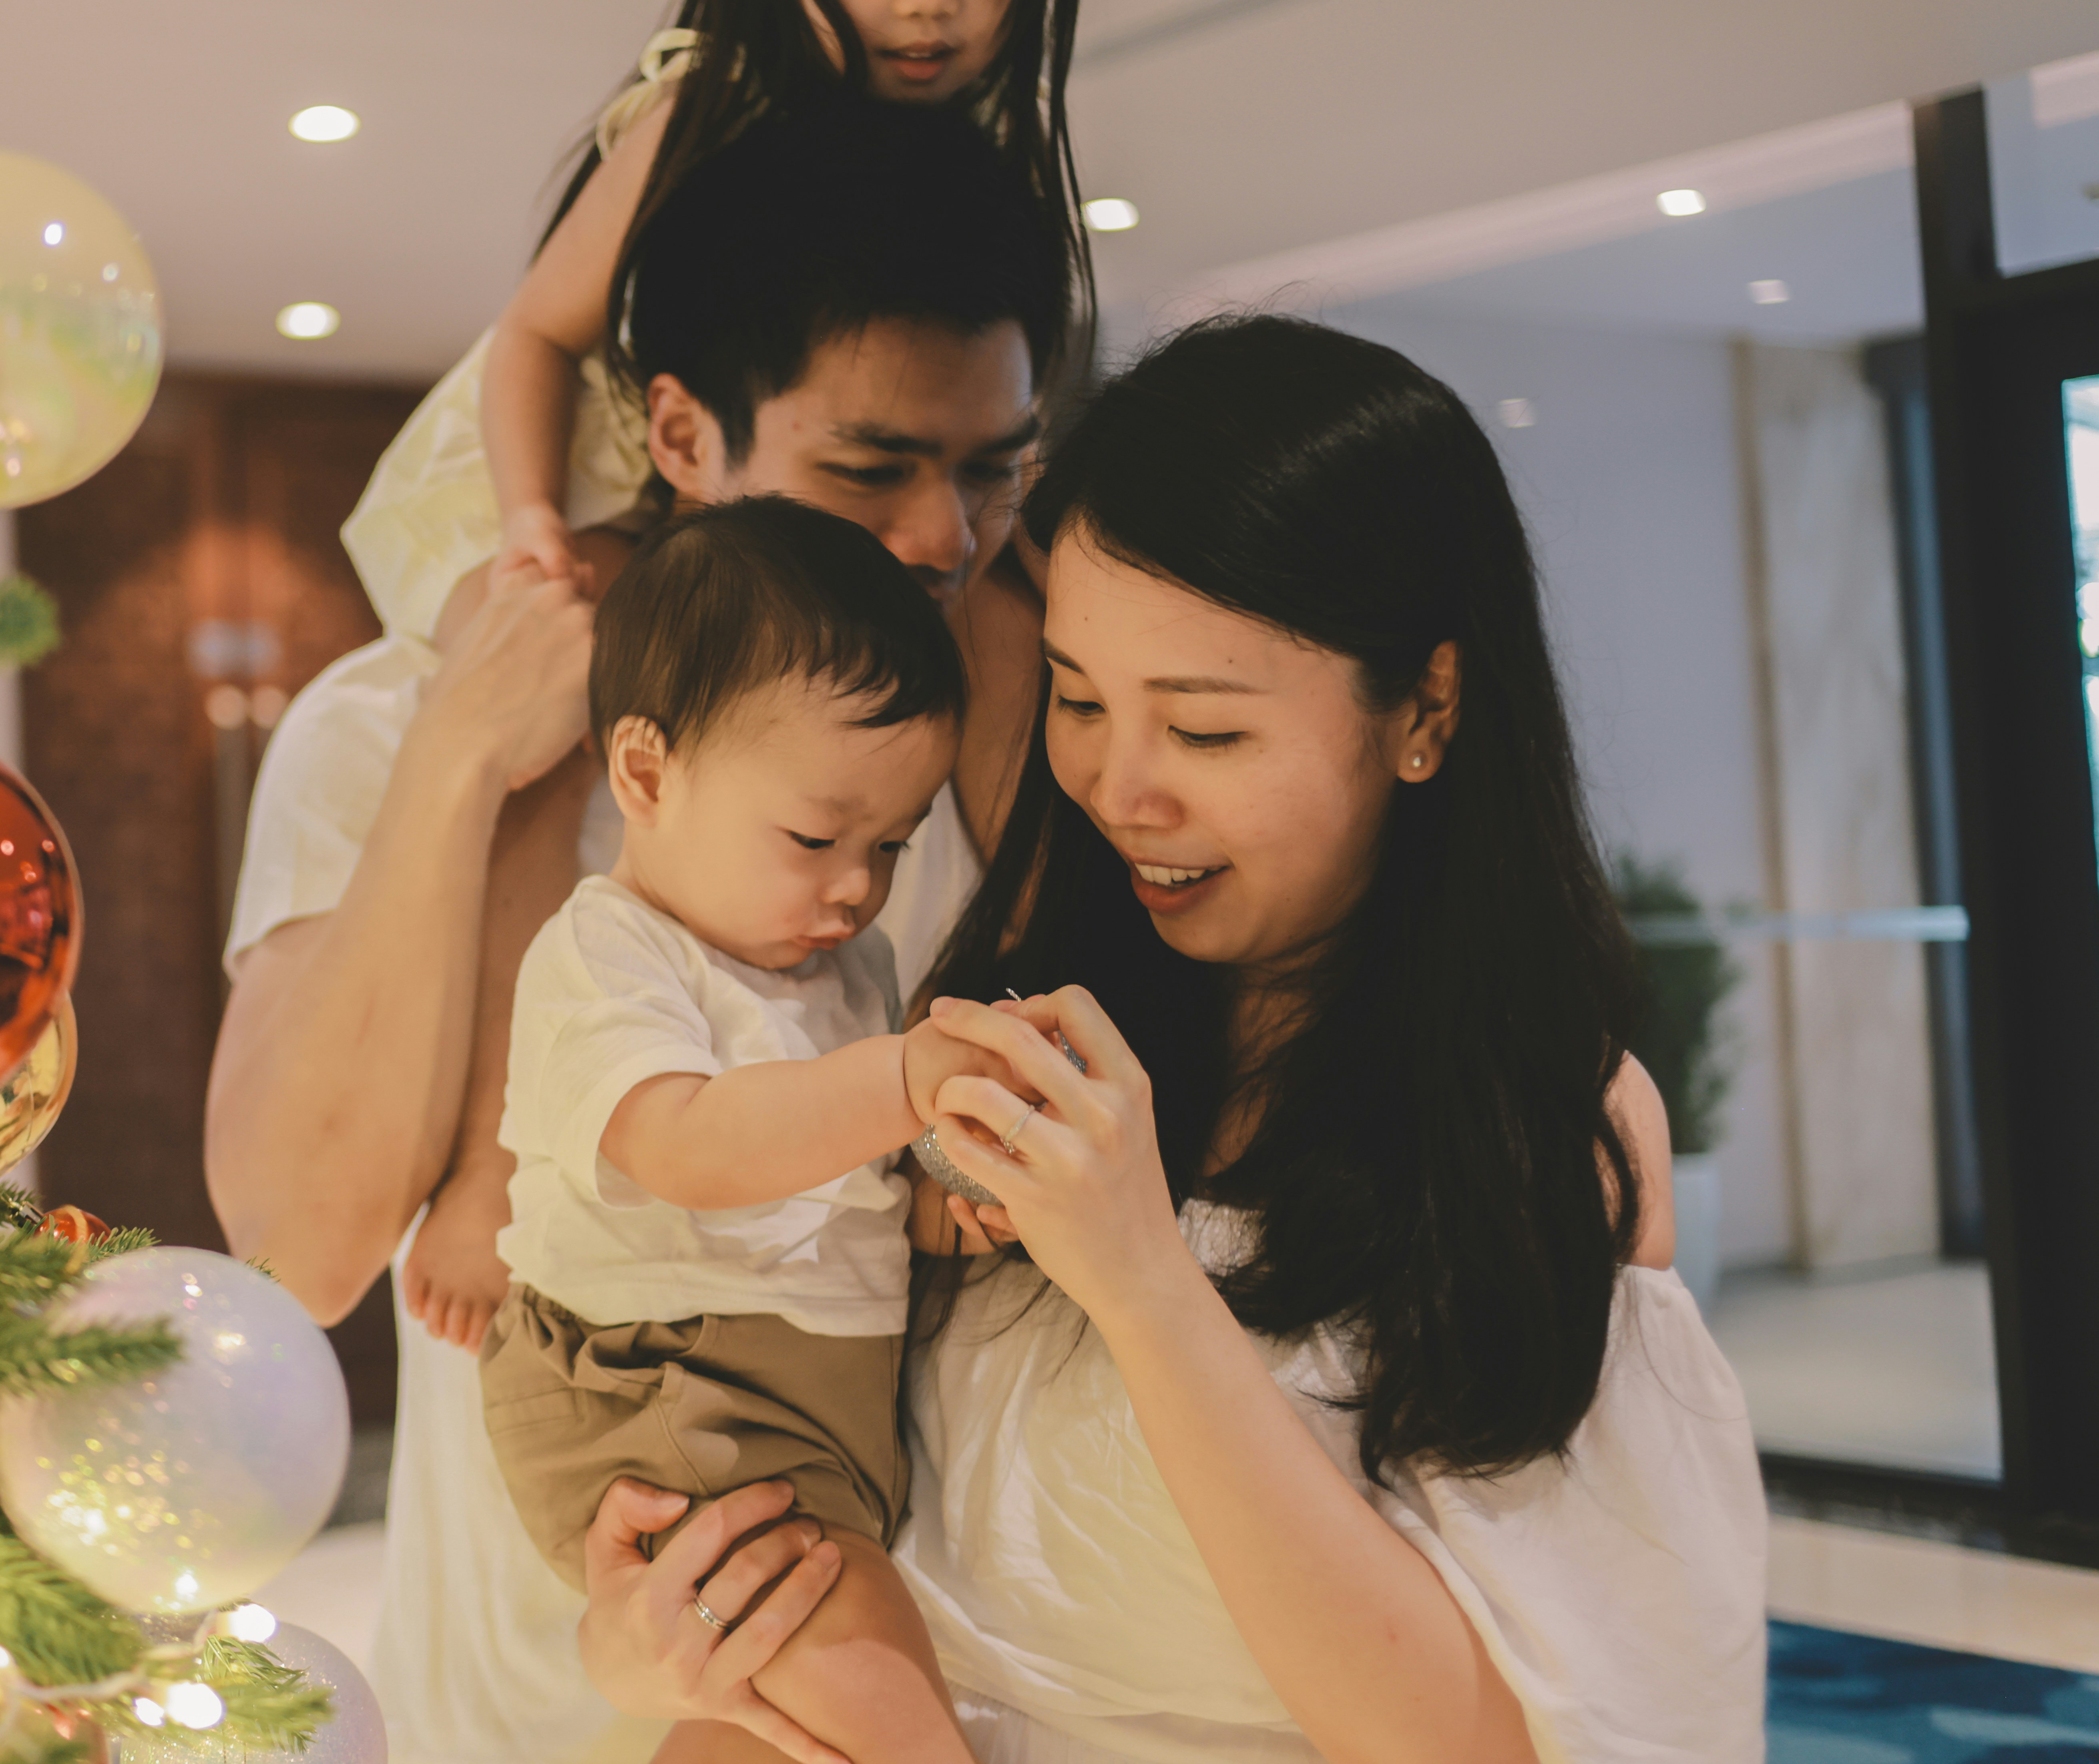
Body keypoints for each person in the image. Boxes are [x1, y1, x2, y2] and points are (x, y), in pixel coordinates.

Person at [575, 317, 1768, 1764]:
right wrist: (664, 1629)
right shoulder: (1010, 1033)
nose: (1117, 786)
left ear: (1427, 710)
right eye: (1079, 697)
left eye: (1205, 732)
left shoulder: (1542, 1133)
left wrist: (1144, 1282)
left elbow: (1504, 1739)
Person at [205, 98, 1057, 1764]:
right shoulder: (389, 727)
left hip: (958, 1658)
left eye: (991, 468)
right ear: (679, 434)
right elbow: (295, 1247)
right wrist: (461, 757)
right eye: (869, 467)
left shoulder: (1006, 718)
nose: (938, 540)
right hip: (542, 1689)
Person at [337, 0, 1091, 644]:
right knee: (550, 644)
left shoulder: (982, 141)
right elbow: (534, 333)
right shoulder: (712, 108)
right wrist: (530, 519)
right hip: (561, 489)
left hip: (733, 509)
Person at [483, 498, 999, 1764]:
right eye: (816, 836)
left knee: (767, 1725)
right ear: (647, 773)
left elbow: (853, 1175)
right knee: (880, 1697)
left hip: (794, 1400)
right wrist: (904, 1083)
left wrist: (936, 1173)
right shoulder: (609, 952)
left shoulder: (848, 963)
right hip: (673, 1389)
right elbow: (691, 1150)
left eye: (891, 844)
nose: (855, 885)